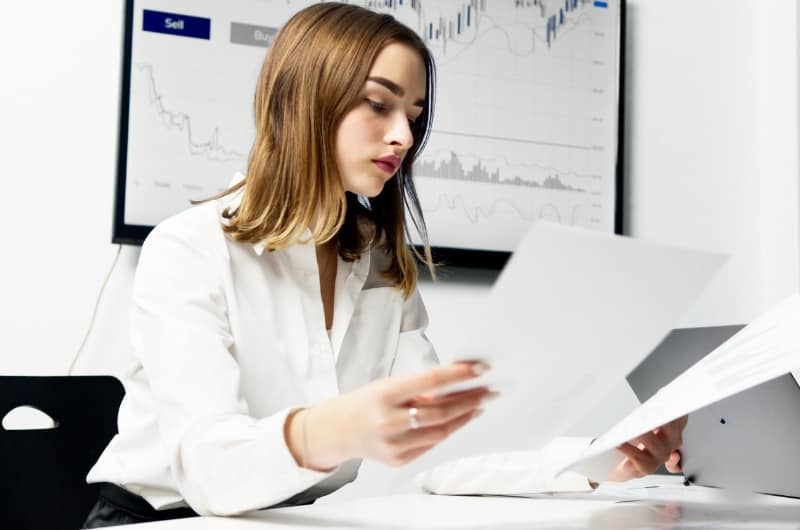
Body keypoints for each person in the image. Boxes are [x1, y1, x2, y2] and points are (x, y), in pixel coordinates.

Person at [84, 3, 684, 527]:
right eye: (378, 104)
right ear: (304, 102)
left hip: (295, 521)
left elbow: (438, 451)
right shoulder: (187, 250)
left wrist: (600, 459)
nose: (403, 135)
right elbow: (209, 474)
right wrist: (334, 429)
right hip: (159, 521)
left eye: (415, 115)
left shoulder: (376, 259)